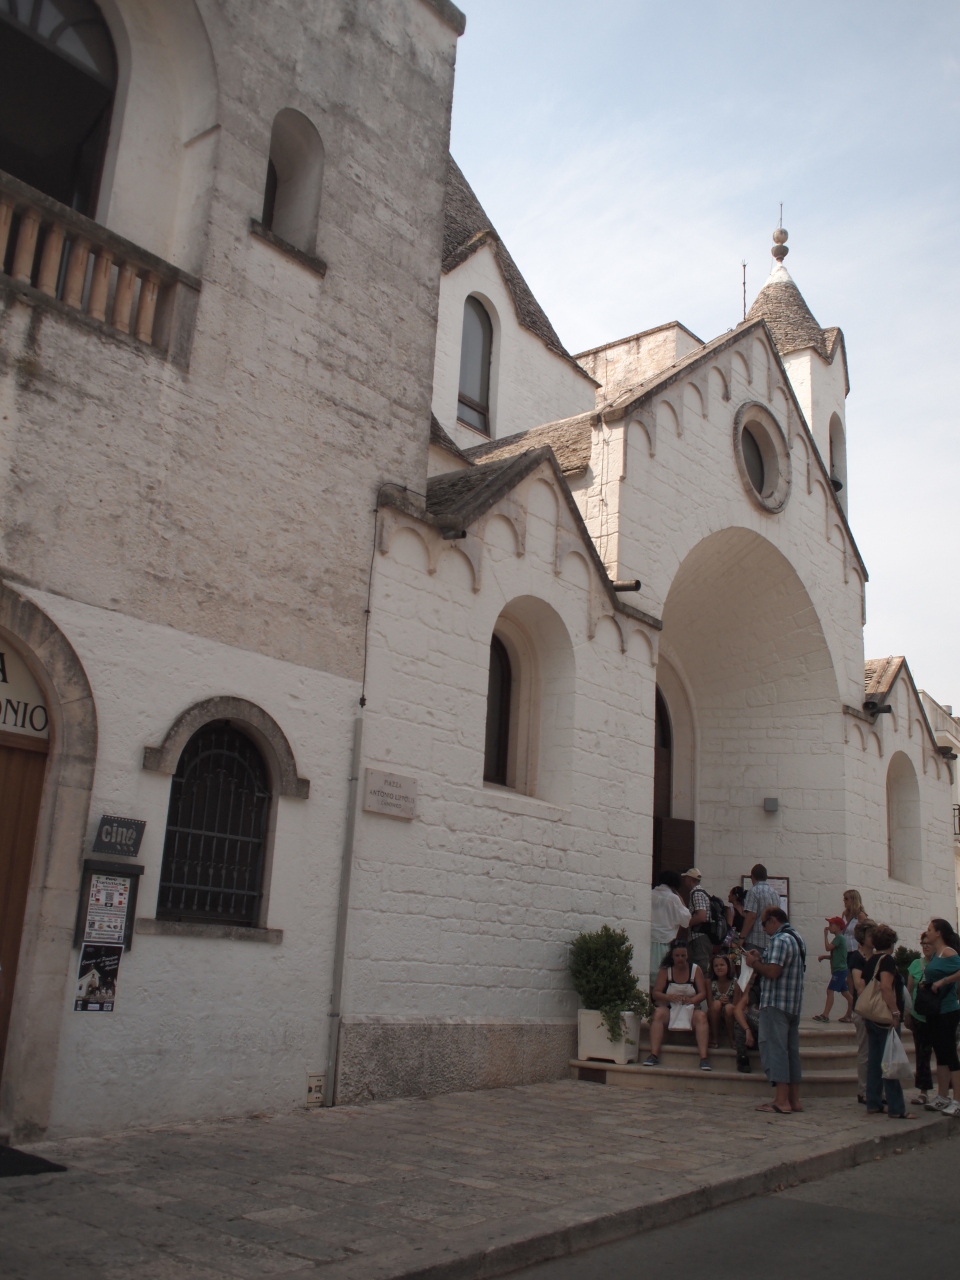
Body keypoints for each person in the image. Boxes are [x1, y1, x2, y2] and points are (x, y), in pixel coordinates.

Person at [742, 907, 805, 1113]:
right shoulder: (797, 938)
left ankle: (781, 1101)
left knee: (775, 1050)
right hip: (793, 1004)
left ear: (773, 920)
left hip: (776, 1003)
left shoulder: (779, 940)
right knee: (791, 1052)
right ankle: (794, 1100)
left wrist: (754, 963)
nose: (762, 928)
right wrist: (762, 957)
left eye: (763, 923)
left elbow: (773, 971)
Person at [859, 923, 913, 1119]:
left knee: (875, 1061)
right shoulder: (887, 961)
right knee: (890, 1061)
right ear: (891, 943)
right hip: (885, 1018)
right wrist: (895, 1012)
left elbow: (862, 986)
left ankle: (873, 1102)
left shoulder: (870, 960)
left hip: (871, 1017)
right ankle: (897, 1107)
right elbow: (886, 987)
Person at [643, 939, 711, 1071]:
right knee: (658, 1014)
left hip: (690, 1010)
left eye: (683, 955)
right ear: (672, 956)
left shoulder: (695, 970)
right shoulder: (665, 971)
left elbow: (703, 993)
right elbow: (656, 993)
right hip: (670, 1009)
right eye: (677, 956)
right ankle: (654, 1054)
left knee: (702, 1017)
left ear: (687, 955)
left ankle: (704, 1058)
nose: (680, 959)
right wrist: (668, 997)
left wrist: (692, 1000)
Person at [922, 918, 960, 1116]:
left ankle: (958, 1100)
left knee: (950, 1054)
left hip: (947, 1010)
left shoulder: (948, 952)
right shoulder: (936, 955)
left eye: (930, 929)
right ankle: (942, 1096)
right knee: (941, 1054)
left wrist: (944, 981)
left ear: (938, 933)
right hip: (935, 1010)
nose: (927, 932)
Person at [848, 919, 877, 1104]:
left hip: (876, 1009)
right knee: (865, 1051)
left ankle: (875, 1088)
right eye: (870, 935)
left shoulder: (877, 956)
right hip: (863, 1009)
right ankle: (863, 1090)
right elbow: (858, 984)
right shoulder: (857, 958)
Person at [906, 932, 935, 1107]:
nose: (925, 946)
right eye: (923, 943)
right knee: (922, 1055)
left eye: (928, 943)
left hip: (938, 1016)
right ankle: (923, 1091)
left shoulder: (942, 964)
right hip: (919, 1015)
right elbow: (909, 990)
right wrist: (907, 1013)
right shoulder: (916, 965)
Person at [649, 870, 691, 981]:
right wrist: (680, 899)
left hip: (649, 941)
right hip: (665, 943)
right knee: (664, 977)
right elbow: (686, 920)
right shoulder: (673, 898)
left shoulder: (650, 894)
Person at [814, 916, 853, 1022]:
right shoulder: (839, 939)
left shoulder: (839, 938)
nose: (829, 927)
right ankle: (855, 1011)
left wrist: (825, 935)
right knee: (846, 994)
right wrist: (825, 957)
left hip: (840, 970)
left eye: (831, 925)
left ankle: (825, 1015)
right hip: (839, 970)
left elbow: (828, 948)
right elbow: (837, 955)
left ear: (839, 927)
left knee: (830, 990)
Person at [738, 864, 781, 952]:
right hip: (771, 939)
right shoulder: (775, 893)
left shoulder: (753, 891)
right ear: (766, 877)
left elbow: (751, 916)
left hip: (755, 940)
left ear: (752, 877)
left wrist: (742, 937)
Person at [680, 868, 713, 977]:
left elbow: (701, 916)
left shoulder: (697, 893)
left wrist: (687, 923)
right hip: (702, 937)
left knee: (700, 969)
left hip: (699, 937)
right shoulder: (703, 893)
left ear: (690, 879)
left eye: (686, 878)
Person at [732, 954, 761, 1072]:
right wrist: (747, 1029)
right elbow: (737, 1010)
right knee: (741, 1020)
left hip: (767, 1034)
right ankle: (742, 1059)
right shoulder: (752, 991)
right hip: (753, 1034)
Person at [707, 953, 738, 1049]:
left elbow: (736, 1004)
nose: (719, 968)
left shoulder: (736, 982)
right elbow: (709, 1004)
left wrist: (727, 1003)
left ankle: (732, 1039)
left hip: (730, 1012)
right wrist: (719, 1001)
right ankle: (714, 1038)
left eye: (722, 965)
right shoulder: (709, 982)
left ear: (728, 966)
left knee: (729, 1008)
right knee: (716, 1004)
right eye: (716, 966)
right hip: (715, 1012)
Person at [841, 889, 868, 955]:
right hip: (844, 950)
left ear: (853, 900)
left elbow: (866, 933)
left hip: (855, 950)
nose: (844, 900)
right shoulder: (844, 914)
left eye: (846, 899)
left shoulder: (860, 915)